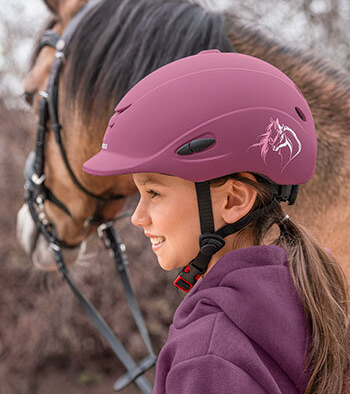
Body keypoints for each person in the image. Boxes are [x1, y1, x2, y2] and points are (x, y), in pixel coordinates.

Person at [83, 50, 350, 393]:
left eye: (154, 193)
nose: (137, 217)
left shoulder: (207, 357)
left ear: (233, 200)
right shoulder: (309, 292)